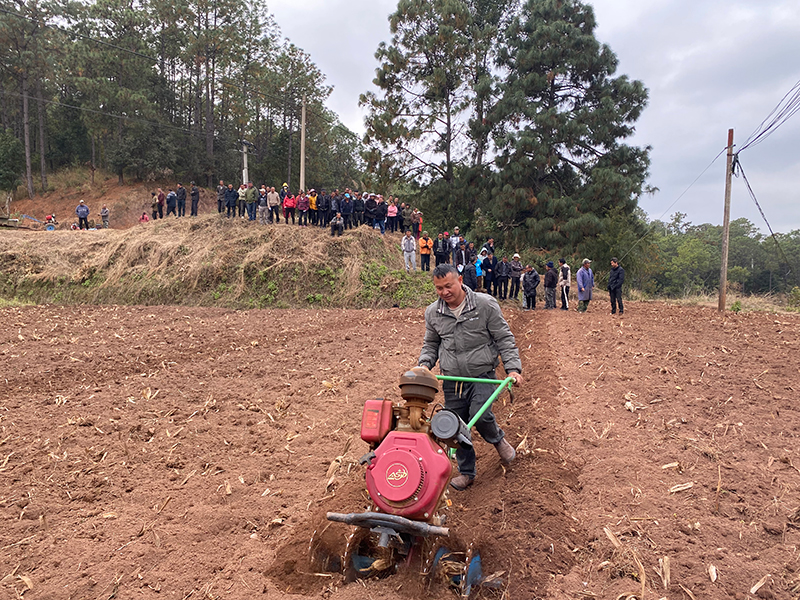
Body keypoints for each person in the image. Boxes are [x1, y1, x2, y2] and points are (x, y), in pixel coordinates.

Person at [418, 264, 523, 491]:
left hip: (482, 374)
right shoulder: (433, 313)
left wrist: (513, 368)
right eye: (439, 288)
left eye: (448, 286)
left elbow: (504, 337)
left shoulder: (484, 305)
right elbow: (431, 344)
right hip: (452, 379)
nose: (445, 292)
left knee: (481, 414)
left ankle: (498, 440)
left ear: (460, 280)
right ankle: (467, 472)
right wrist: (424, 365)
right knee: (454, 428)